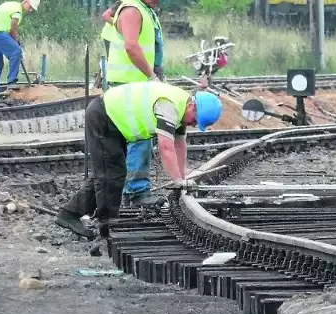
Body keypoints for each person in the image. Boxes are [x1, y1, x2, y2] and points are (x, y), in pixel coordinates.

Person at [54, 81, 223, 239]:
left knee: (109, 171)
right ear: (192, 106)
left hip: (113, 119)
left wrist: (183, 175)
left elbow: (179, 143)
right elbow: (166, 147)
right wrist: (177, 180)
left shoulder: (182, 107)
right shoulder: (169, 106)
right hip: (104, 116)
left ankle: (71, 214)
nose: (193, 124)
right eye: (195, 120)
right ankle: (104, 225)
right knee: (110, 174)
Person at [106, 0, 171, 208]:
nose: (157, 0)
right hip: (129, 85)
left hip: (136, 84)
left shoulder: (144, 9)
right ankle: (136, 193)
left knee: (137, 137)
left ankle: (130, 191)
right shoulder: (133, 10)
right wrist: (151, 75)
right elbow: (131, 47)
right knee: (139, 136)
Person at [0, 0, 40, 93]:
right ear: (26, 1)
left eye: (32, 9)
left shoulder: (11, 4)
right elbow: (13, 26)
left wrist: (13, 39)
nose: (30, 10)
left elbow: (2, 20)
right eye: (30, 7)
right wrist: (15, 41)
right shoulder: (18, 12)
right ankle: (12, 82)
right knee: (16, 51)